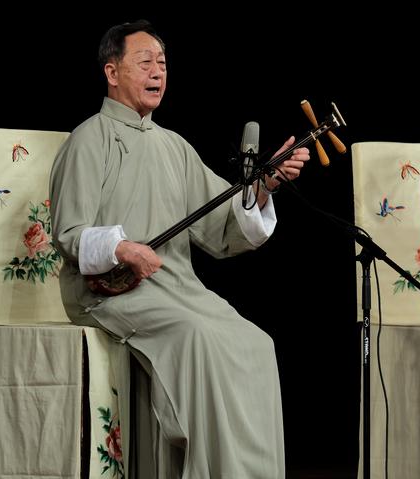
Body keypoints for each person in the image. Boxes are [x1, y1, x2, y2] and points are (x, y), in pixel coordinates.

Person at [49, 20, 310, 478]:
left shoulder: (174, 146)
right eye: (145, 62)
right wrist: (122, 248)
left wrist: (264, 185)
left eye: (163, 64)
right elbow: (69, 232)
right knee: (199, 337)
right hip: (109, 290)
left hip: (176, 287)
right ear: (112, 72)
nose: (157, 72)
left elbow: (222, 224)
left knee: (256, 343)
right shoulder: (89, 138)